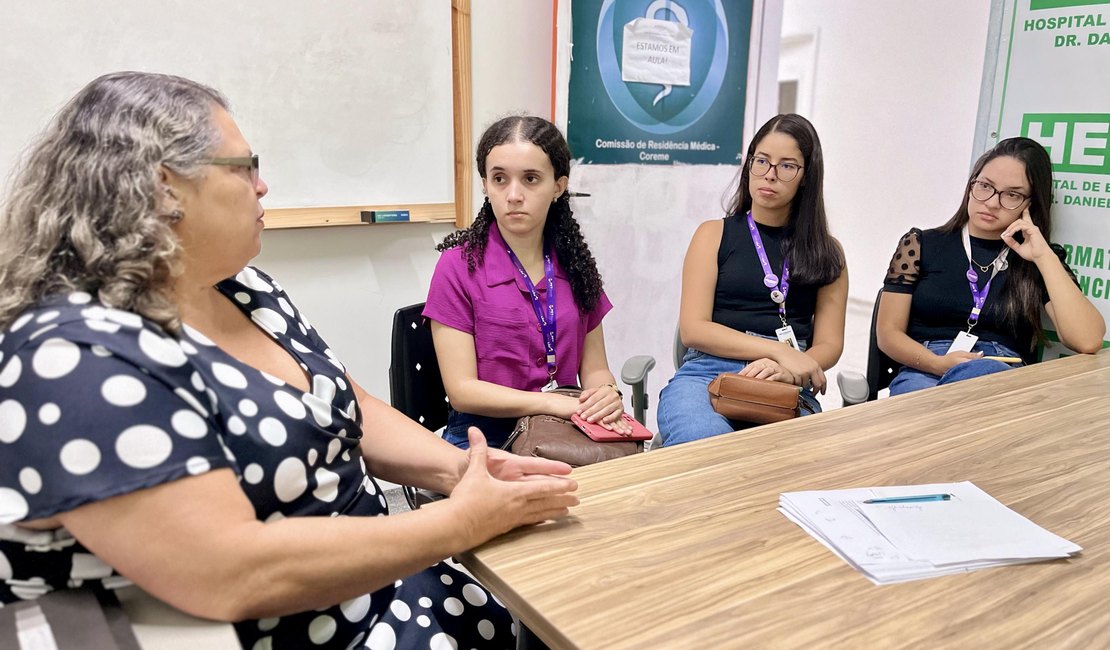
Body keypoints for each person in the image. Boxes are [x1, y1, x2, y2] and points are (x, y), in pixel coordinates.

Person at [0, 72, 579, 650]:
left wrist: (462, 473)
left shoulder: (245, 289)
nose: (263, 186)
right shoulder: (74, 356)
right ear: (163, 187)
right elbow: (229, 571)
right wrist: (457, 523)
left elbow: (349, 407)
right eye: (244, 167)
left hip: (382, 581)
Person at [424, 115, 629, 450]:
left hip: (562, 428)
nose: (514, 194)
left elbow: (595, 370)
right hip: (482, 435)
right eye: (500, 179)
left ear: (558, 186)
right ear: (485, 185)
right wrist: (551, 403)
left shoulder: (576, 264)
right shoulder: (457, 266)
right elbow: (462, 391)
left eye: (531, 178)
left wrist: (606, 394)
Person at [657, 114, 848, 447]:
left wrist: (790, 367)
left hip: (786, 382)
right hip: (708, 373)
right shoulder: (713, 234)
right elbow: (694, 329)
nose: (770, 175)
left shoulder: (828, 252)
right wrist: (778, 351)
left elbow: (830, 344)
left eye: (787, 166)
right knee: (707, 446)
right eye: (761, 161)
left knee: (788, 459)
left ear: (807, 177)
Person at [877, 137, 1104, 395]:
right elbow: (888, 333)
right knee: (919, 403)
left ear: (1030, 204)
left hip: (997, 372)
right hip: (924, 367)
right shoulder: (921, 244)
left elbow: (1088, 339)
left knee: (976, 377)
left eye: (1012, 194)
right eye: (985, 186)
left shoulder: (1036, 259)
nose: (992, 202)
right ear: (971, 184)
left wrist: (1043, 256)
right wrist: (938, 364)